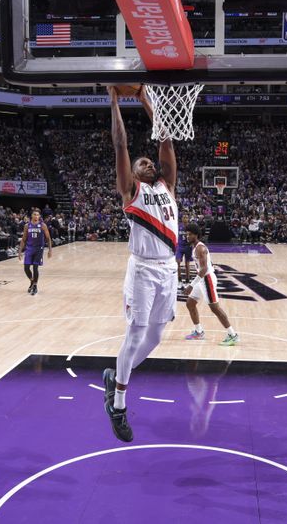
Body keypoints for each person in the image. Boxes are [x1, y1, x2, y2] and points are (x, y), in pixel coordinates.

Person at [102, 85, 178, 443]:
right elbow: (120, 145)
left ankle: (117, 373)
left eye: (151, 161)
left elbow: (165, 139)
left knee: (157, 336)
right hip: (143, 269)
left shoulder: (168, 187)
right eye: (141, 162)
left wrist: (146, 101)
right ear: (133, 173)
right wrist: (115, 101)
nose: (148, 161)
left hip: (168, 269)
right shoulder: (131, 191)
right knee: (134, 334)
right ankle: (117, 404)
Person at [182, 223, 239, 346]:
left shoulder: (200, 248)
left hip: (206, 279)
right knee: (190, 303)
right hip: (201, 279)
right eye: (186, 234)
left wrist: (191, 285)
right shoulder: (195, 247)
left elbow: (204, 269)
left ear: (196, 235)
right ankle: (199, 332)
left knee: (215, 308)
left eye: (190, 234)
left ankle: (232, 335)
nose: (187, 236)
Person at [18, 210, 52, 295]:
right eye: (34, 214)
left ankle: (35, 286)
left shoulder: (43, 225)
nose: (36, 216)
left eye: (38, 215)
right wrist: (20, 251)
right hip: (29, 248)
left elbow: (48, 238)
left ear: (39, 216)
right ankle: (32, 281)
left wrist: (50, 250)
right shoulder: (27, 226)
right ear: (32, 216)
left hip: (39, 249)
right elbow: (24, 239)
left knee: (35, 267)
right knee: (26, 268)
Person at [176, 214, 193, 287]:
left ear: (188, 219)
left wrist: (192, 244)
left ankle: (187, 280)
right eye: (184, 217)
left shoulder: (191, 227)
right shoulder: (178, 226)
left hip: (187, 246)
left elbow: (194, 237)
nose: (185, 218)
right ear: (182, 219)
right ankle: (179, 280)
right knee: (177, 263)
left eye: (186, 217)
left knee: (187, 264)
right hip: (179, 246)